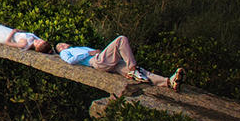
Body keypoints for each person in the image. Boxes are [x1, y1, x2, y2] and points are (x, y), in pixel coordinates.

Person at [55, 36, 183, 91]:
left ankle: (168, 82)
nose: (61, 45)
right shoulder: (65, 53)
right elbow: (70, 61)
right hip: (96, 61)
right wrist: (89, 53)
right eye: (59, 46)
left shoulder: (77, 47)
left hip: (105, 62)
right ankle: (133, 68)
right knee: (121, 39)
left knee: (140, 71)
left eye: (62, 43)